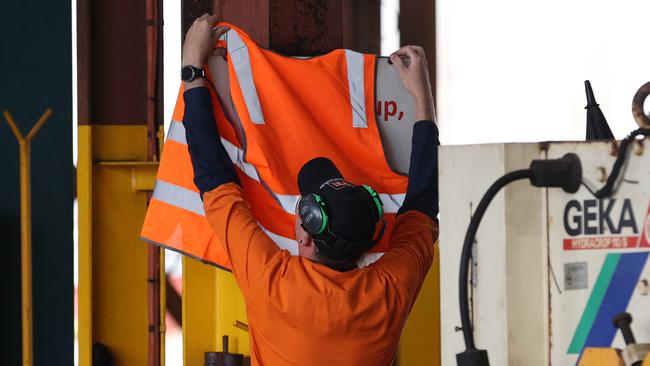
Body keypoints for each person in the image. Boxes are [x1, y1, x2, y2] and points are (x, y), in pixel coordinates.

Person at [181, 14, 439, 366]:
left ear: (306, 236)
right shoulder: (388, 293)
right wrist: (421, 97)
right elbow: (422, 204)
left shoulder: (275, 283)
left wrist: (193, 68)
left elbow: (214, 178)